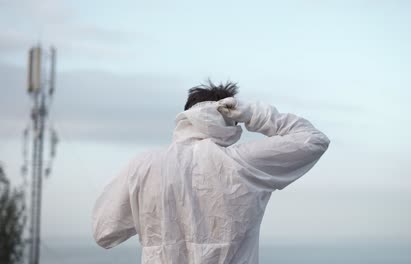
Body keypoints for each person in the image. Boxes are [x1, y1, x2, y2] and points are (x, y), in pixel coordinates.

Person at [92, 81, 330, 264]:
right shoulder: (242, 163)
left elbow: (104, 231)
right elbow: (313, 140)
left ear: (186, 118)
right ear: (230, 119)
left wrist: (155, 212)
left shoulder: (142, 167)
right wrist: (251, 114)